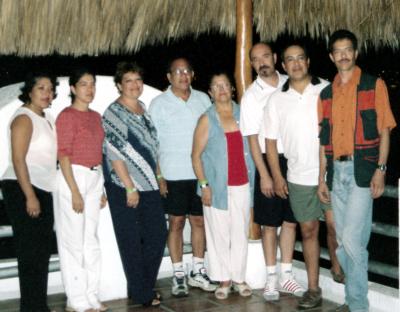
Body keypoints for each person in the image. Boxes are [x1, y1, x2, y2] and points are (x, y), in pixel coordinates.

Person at [318, 30, 396, 312]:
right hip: (335, 172)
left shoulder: (373, 85)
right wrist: (321, 178)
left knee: (351, 239)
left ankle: (359, 305)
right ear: (331, 56)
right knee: (343, 240)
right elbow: (323, 140)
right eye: (337, 51)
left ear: (356, 52)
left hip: (362, 170)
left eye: (348, 49)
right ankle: (352, 300)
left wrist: (381, 169)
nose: (343, 55)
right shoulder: (325, 94)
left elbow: (385, 129)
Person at [264, 43, 330, 309]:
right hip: (298, 176)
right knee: (309, 230)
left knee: (337, 228)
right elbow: (269, 142)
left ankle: (337, 266)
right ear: (284, 66)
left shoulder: (326, 89)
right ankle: (314, 289)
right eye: (290, 60)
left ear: (308, 61)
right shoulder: (276, 99)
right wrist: (278, 177)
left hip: (332, 173)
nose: (295, 63)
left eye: (300, 58)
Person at [239, 42, 304, 301]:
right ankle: (271, 279)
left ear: (276, 58)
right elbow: (252, 138)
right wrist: (264, 174)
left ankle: (287, 275)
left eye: (266, 56)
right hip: (268, 159)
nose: (262, 62)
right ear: (252, 64)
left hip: (296, 159)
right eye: (256, 59)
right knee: (269, 224)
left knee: (290, 220)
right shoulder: (251, 96)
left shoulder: (292, 82)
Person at [149, 57, 216, 297]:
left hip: (200, 175)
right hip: (172, 174)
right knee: (176, 223)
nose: (183, 75)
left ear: (193, 74)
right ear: (169, 77)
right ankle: (178, 273)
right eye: (177, 71)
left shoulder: (203, 99)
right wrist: (159, 176)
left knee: (199, 221)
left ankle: (198, 270)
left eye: (187, 70)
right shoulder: (158, 104)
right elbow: (152, 144)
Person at [102, 62, 167, 307]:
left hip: (150, 184)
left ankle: (141, 287)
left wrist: (159, 176)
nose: (134, 85)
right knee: (130, 241)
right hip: (124, 186)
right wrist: (129, 186)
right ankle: (143, 292)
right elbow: (114, 152)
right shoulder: (113, 112)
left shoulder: (143, 109)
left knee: (157, 235)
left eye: (138, 80)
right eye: (128, 80)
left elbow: (152, 148)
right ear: (119, 85)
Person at [192, 72, 255, 300]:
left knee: (240, 232)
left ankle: (238, 278)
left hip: (243, 183)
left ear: (232, 89)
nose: (221, 90)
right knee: (218, 234)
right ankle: (223, 279)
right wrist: (204, 185)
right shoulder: (206, 119)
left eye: (225, 85)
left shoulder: (244, 114)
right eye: (216, 86)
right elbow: (196, 156)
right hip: (216, 186)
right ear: (210, 92)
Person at [1, 72, 58, 312]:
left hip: (42, 188)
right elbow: (18, 159)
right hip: (23, 187)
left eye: (50, 89)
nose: (47, 93)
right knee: (30, 253)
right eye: (41, 88)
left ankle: (37, 306)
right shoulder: (24, 118)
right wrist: (30, 196)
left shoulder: (47, 117)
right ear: (29, 91)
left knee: (41, 252)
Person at [53, 68, 107, 312]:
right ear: (73, 88)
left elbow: (99, 153)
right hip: (72, 177)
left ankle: (91, 294)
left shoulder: (96, 117)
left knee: (91, 241)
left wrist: (101, 186)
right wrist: (74, 191)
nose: (89, 89)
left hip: (94, 177)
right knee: (72, 242)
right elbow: (63, 155)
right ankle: (76, 300)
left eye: (92, 84)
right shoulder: (66, 116)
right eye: (83, 84)